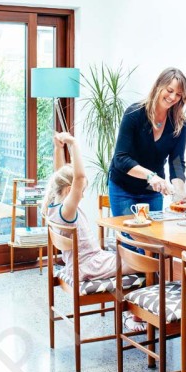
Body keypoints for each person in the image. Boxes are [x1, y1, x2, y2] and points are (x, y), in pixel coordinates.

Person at [43, 132, 142, 330]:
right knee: (147, 264)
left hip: (83, 263)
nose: (82, 192)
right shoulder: (67, 210)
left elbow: (60, 173)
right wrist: (74, 143)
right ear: (71, 189)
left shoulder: (55, 206)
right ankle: (134, 316)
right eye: (81, 190)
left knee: (134, 255)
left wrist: (58, 148)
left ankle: (133, 310)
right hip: (90, 266)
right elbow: (78, 177)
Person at [108, 67, 186, 216]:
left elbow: (176, 162)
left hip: (152, 192)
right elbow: (121, 158)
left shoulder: (179, 124)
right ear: (159, 86)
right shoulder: (134, 114)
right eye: (169, 90)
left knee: (151, 238)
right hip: (123, 187)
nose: (173, 97)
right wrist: (151, 176)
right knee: (130, 237)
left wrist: (180, 191)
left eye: (179, 94)